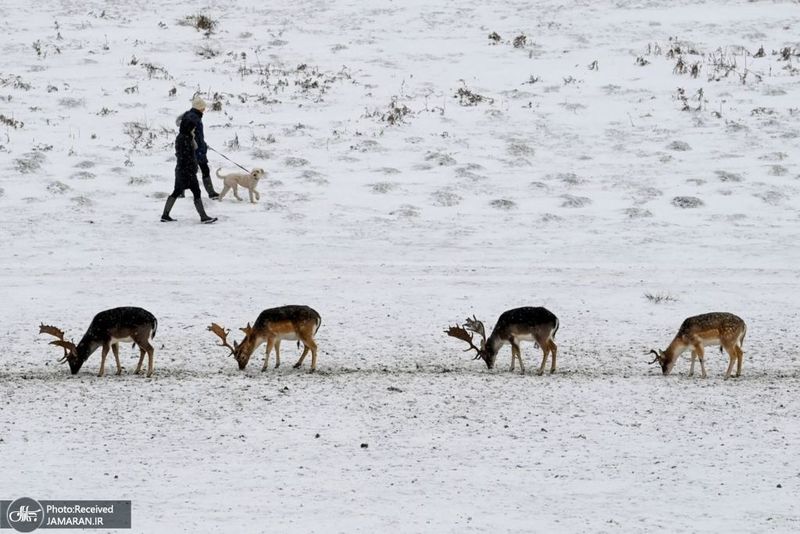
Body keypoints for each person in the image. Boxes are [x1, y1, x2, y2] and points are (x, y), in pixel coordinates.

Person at [160, 120, 217, 224]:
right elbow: (187, 155)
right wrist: (192, 167)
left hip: (181, 170)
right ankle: (203, 217)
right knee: (196, 192)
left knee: (177, 191)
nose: (194, 129)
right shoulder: (185, 139)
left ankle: (165, 215)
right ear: (188, 128)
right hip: (187, 171)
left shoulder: (184, 137)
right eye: (193, 128)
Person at [178, 95, 219, 199]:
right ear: (199, 107)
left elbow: (197, 135)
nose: (204, 109)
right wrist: (198, 148)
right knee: (197, 170)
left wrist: (203, 144)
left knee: (189, 170)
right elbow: (191, 135)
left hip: (195, 148)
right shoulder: (194, 118)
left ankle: (181, 192)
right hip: (194, 150)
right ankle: (211, 193)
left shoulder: (193, 115)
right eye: (203, 107)